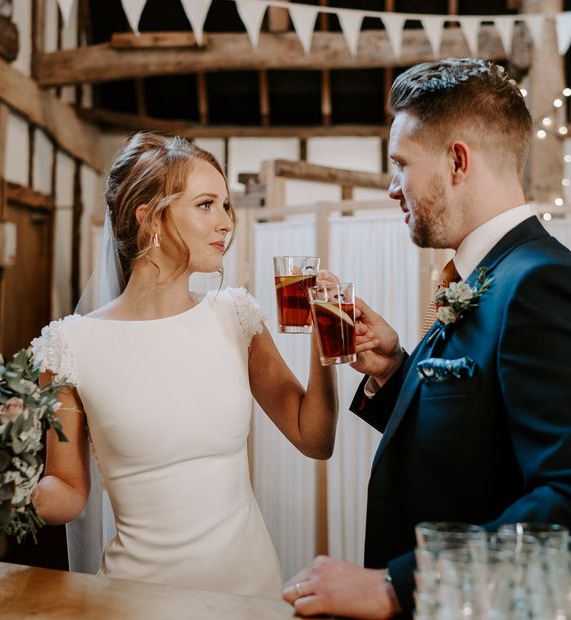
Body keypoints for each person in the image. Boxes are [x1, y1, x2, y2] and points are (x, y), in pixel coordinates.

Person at [283, 58, 571, 618]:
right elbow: (481, 436)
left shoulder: (538, 282)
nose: (393, 188)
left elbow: (567, 497)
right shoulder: (487, 272)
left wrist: (394, 586)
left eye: (400, 165)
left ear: (458, 161)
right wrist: (394, 368)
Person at [30, 132, 340, 598]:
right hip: (135, 599)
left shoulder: (237, 317)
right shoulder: (70, 346)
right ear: (149, 217)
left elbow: (315, 439)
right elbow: (68, 491)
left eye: (227, 206)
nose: (226, 223)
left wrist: (326, 342)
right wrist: (7, 483)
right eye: (206, 205)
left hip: (249, 595)